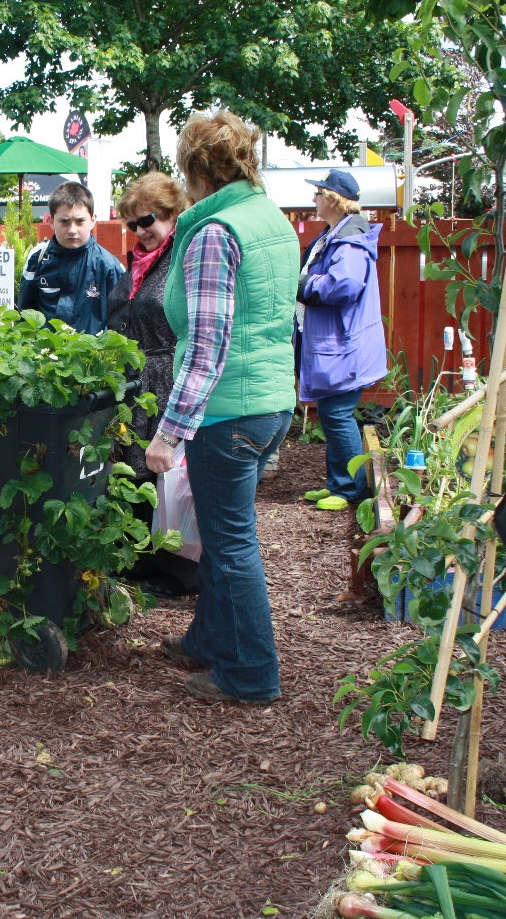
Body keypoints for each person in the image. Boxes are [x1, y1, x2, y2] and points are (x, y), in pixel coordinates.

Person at [144, 111, 298, 704]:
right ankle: (208, 640)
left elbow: (207, 348)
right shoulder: (272, 221)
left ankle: (252, 675)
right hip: (269, 404)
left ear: (195, 171)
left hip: (228, 411)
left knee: (231, 543)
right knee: (222, 532)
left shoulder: (216, 233)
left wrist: (169, 434)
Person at [107, 172, 199, 599]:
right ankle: (141, 561)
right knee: (137, 471)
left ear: (171, 215)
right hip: (136, 380)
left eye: (148, 221)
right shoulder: (139, 262)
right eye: (132, 224)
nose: (140, 231)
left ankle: (178, 573)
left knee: (169, 477)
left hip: (167, 376)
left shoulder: (182, 257)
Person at [295, 170, 387, 512]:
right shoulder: (335, 235)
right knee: (334, 414)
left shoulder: (350, 240)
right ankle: (338, 482)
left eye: (318, 194)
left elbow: (343, 285)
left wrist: (302, 286)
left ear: (333, 199)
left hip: (346, 347)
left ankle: (351, 489)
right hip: (338, 346)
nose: (314, 200)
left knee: (336, 414)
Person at [18, 181, 125, 334]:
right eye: (64, 222)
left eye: (80, 221)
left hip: (91, 355)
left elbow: (121, 323)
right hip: (45, 354)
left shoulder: (108, 266)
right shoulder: (38, 258)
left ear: (92, 220)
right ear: (51, 221)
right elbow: (25, 314)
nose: (72, 230)